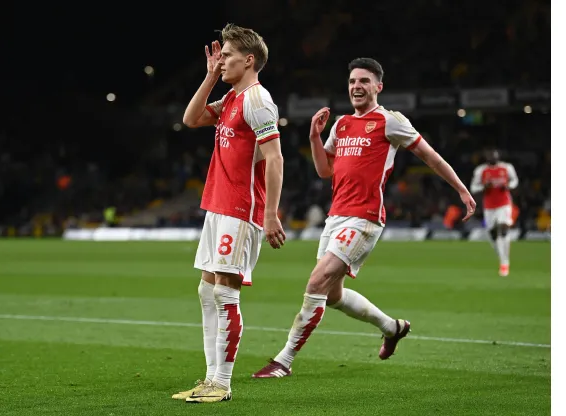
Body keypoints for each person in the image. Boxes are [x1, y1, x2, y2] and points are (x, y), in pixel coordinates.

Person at [251, 57, 476, 378]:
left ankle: (282, 361)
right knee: (332, 295)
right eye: (353, 81)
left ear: (378, 87)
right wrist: (315, 137)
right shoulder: (341, 124)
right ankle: (392, 327)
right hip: (335, 218)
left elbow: (430, 156)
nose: (357, 86)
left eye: (364, 81)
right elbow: (324, 170)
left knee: (316, 282)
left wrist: (462, 190)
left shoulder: (390, 121)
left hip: (365, 218)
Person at [172, 23, 286, 403]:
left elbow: (275, 157)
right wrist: (208, 77)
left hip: (241, 208)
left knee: (224, 294)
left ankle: (222, 383)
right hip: (218, 205)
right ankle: (210, 379)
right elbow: (191, 119)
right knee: (207, 291)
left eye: (228, 56)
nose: (220, 61)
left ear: (249, 59)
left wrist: (271, 214)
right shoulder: (232, 98)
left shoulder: (257, 99)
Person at [470, 149, 519, 276]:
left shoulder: (507, 168)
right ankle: (501, 257)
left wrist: (508, 186)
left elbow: (515, 181)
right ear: (486, 158)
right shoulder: (481, 170)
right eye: (490, 156)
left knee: (503, 229)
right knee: (492, 234)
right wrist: (484, 187)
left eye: (495, 156)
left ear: (498, 156)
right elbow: (473, 187)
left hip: (504, 203)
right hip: (489, 206)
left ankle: (504, 263)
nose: (493, 158)